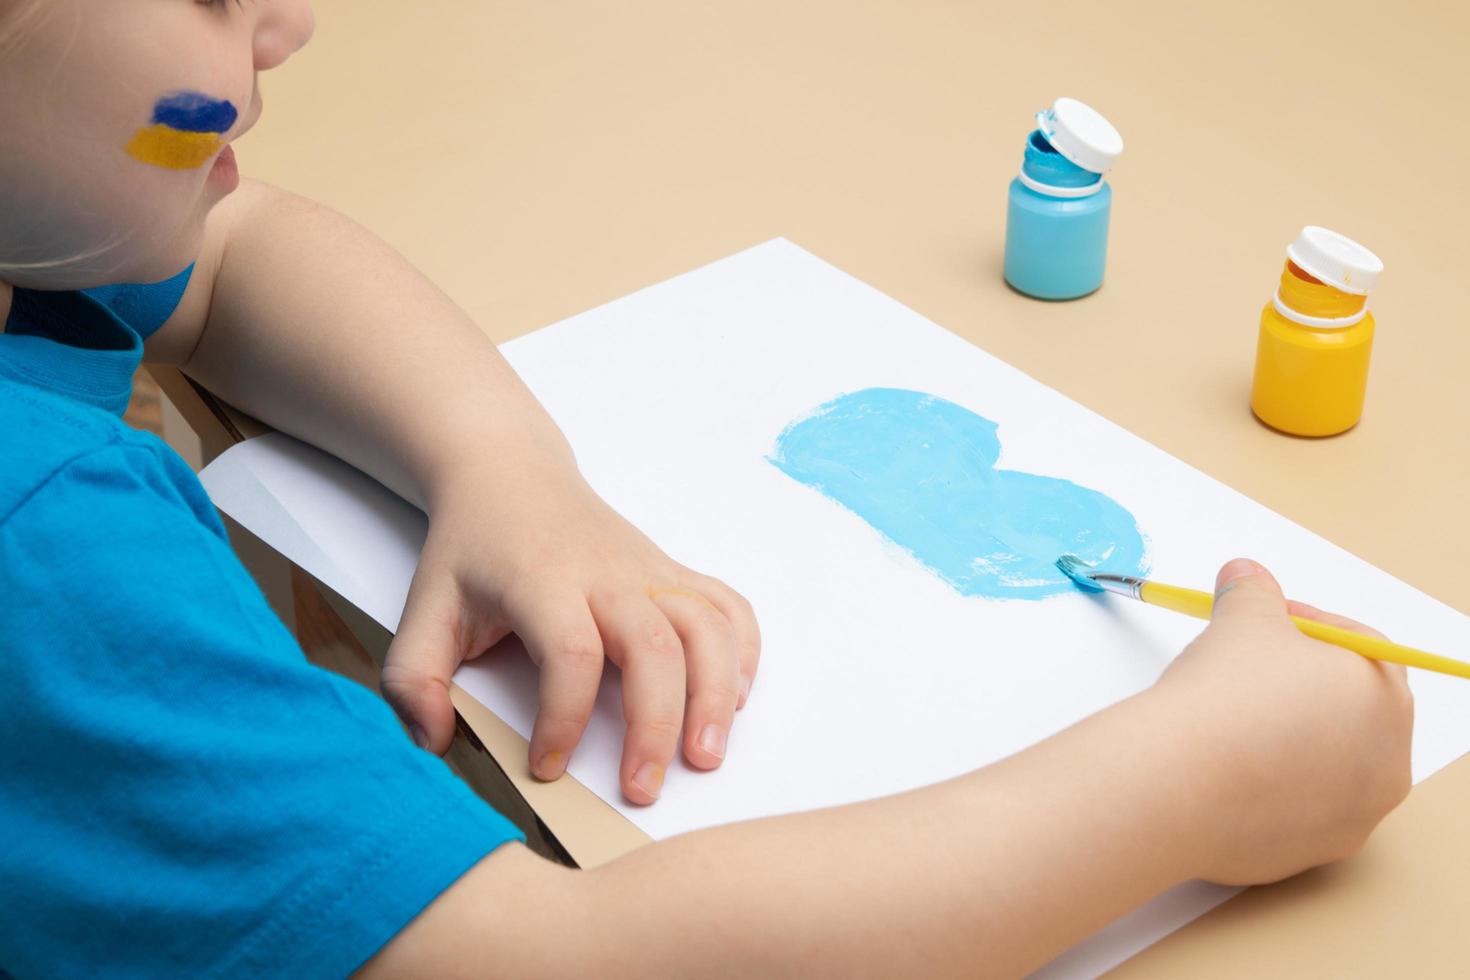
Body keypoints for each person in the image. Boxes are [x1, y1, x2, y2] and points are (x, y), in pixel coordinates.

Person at [0, 2, 1412, 976]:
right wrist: (1196, 784)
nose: (289, 23)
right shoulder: (43, 543)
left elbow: (234, 246)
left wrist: (505, 467)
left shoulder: (45, 232)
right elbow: (554, 969)